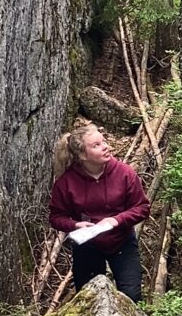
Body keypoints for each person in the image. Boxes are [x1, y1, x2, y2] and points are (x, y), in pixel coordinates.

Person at [49, 121, 150, 297]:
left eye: (103, 142)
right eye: (97, 145)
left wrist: (116, 220)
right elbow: (56, 217)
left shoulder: (124, 173)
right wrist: (75, 225)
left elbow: (142, 207)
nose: (105, 147)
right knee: (89, 298)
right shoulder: (66, 183)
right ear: (82, 155)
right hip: (87, 246)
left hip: (122, 241)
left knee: (132, 296)